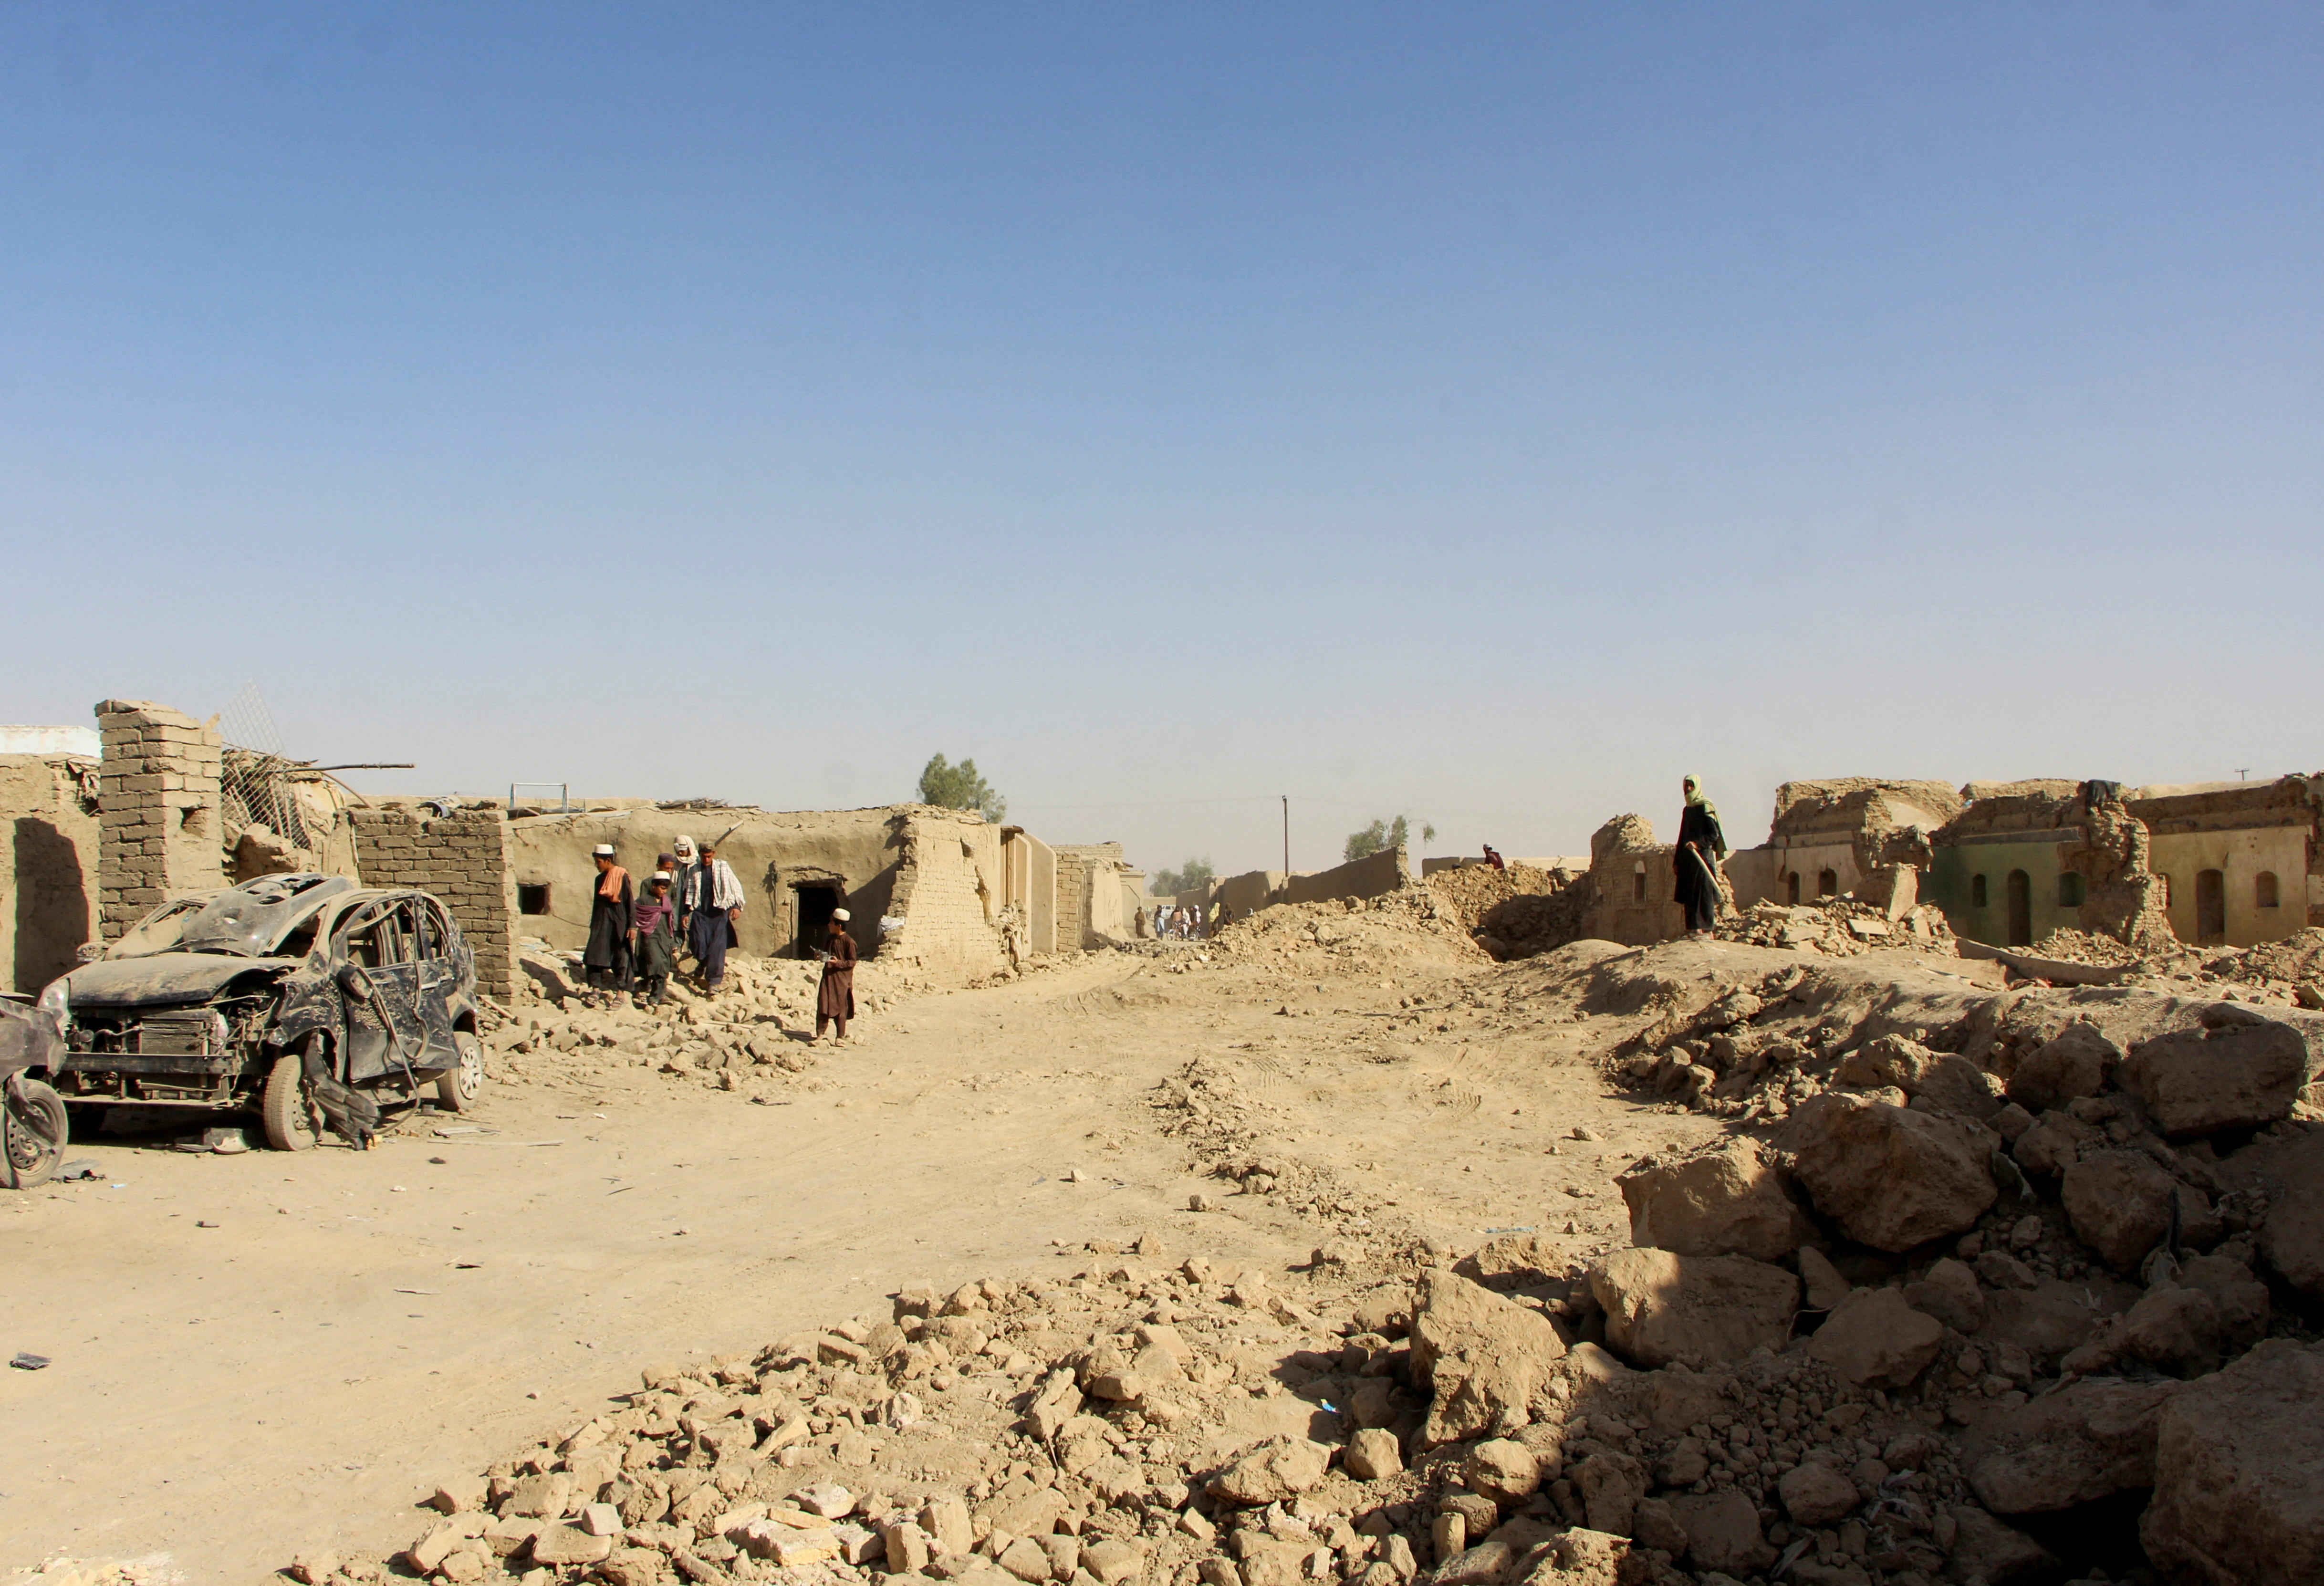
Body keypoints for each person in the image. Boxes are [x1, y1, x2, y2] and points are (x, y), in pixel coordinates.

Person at [684, 840, 745, 995]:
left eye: (709, 856)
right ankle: (702, 963)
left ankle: (714, 982)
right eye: (704, 856)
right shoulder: (694, 870)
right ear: (699, 855)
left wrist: (737, 906)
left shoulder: (723, 868)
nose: (706, 860)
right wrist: (685, 913)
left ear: (714, 855)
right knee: (698, 944)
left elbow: (735, 886)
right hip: (700, 913)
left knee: (717, 948)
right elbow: (689, 891)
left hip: (719, 913)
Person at [1675, 774, 1728, 937]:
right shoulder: (1688, 809)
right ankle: (1693, 929)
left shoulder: (1706, 807)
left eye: (1691, 786)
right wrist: (1677, 861)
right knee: (1689, 894)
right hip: (1688, 859)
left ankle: (1706, 930)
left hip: (1702, 857)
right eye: (1686, 786)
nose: (1689, 789)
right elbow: (1682, 835)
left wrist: (1698, 844)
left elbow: (1714, 834)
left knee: (1703, 894)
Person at [583, 844, 633, 998]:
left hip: (619, 922)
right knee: (595, 954)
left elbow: (629, 902)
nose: (597, 865)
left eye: (599, 862)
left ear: (608, 860)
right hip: (601, 921)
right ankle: (595, 988)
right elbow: (597, 904)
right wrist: (594, 925)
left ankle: (621, 992)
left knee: (621, 957)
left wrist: (632, 926)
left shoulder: (621, 876)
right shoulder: (599, 880)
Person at [630, 870, 678, 1006]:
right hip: (650, 937)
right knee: (655, 963)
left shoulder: (666, 901)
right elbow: (634, 915)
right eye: (662, 888)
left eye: (666, 889)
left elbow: (670, 921)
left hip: (664, 938)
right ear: (653, 886)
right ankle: (647, 988)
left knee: (664, 965)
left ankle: (658, 996)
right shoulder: (644, 901)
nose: (664, 891)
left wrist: (672, 940)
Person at [816, 907, 858, 1042]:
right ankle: (820, 1034)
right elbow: (827, 953)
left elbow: (852, 962)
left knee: (841, 1008)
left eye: (831, 923)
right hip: (828, 977)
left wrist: (838, 963)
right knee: (824, 1005)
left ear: (838, 926)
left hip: (841, 980)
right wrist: (821, 956)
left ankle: (840, 1037)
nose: (829, 925)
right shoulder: (830, 938)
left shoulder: (849, 942)